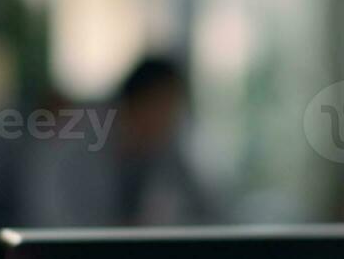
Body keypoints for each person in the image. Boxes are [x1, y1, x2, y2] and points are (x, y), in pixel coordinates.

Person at [21, 56, 219, 227]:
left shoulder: (164, 149)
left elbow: (209, 211)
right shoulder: (78, 134)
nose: (171, 120)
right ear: (140, 101)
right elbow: (48, 215)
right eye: (165, 108)